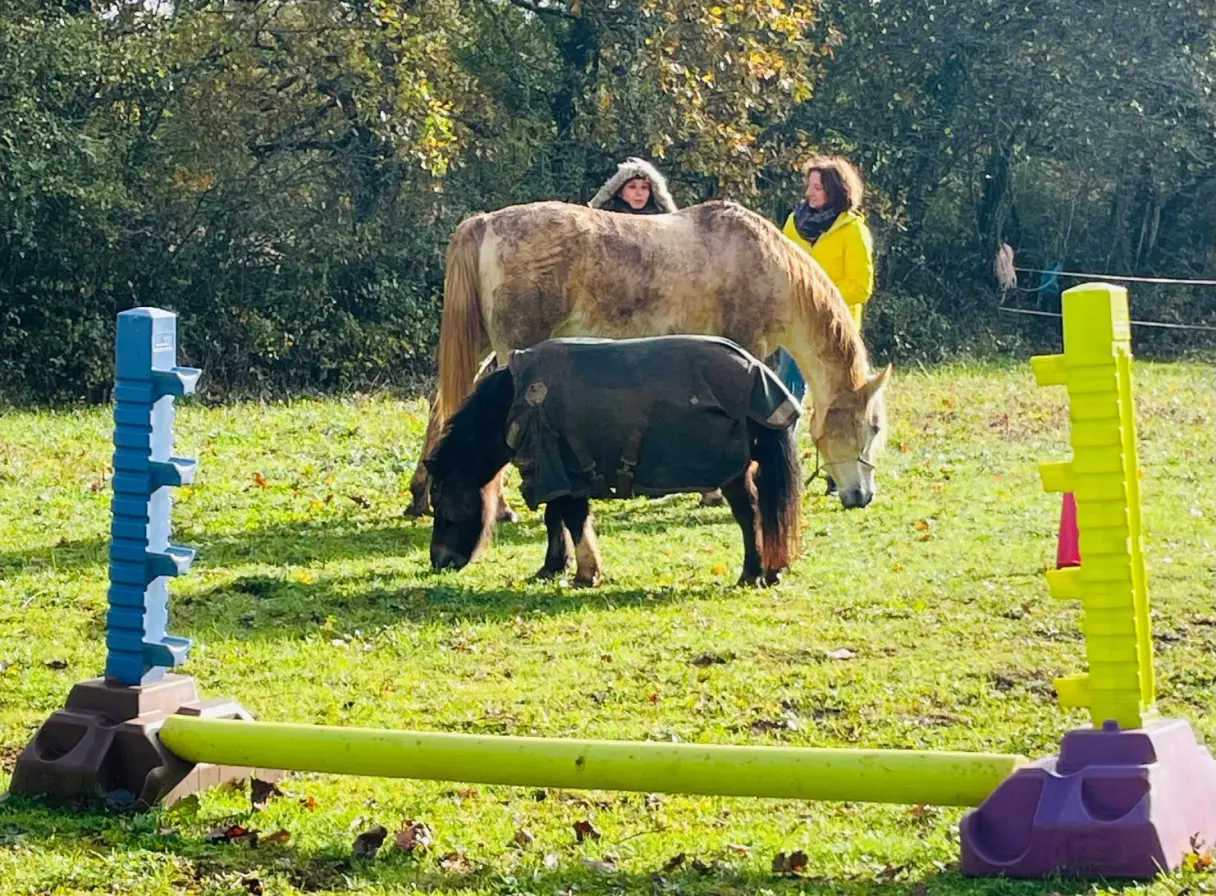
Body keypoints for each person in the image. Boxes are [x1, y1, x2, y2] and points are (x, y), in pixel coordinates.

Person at [588, 158, 724, 508]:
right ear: (619, 190)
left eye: (644, 187)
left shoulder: (667, 228)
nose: (638, 192)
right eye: (632, 186)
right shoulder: (605, 225)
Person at [775, 154, 875, 495]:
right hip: (795, 332)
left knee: (834, 405)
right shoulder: (793, 224)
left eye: (818, 187)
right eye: (809, 186)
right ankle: (780, 467)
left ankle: (838, 471)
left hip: (836, 338)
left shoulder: (853, 230)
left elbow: (861, 286)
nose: (811, 192)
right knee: (786, 397)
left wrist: (820, 300)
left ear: (834, 190)